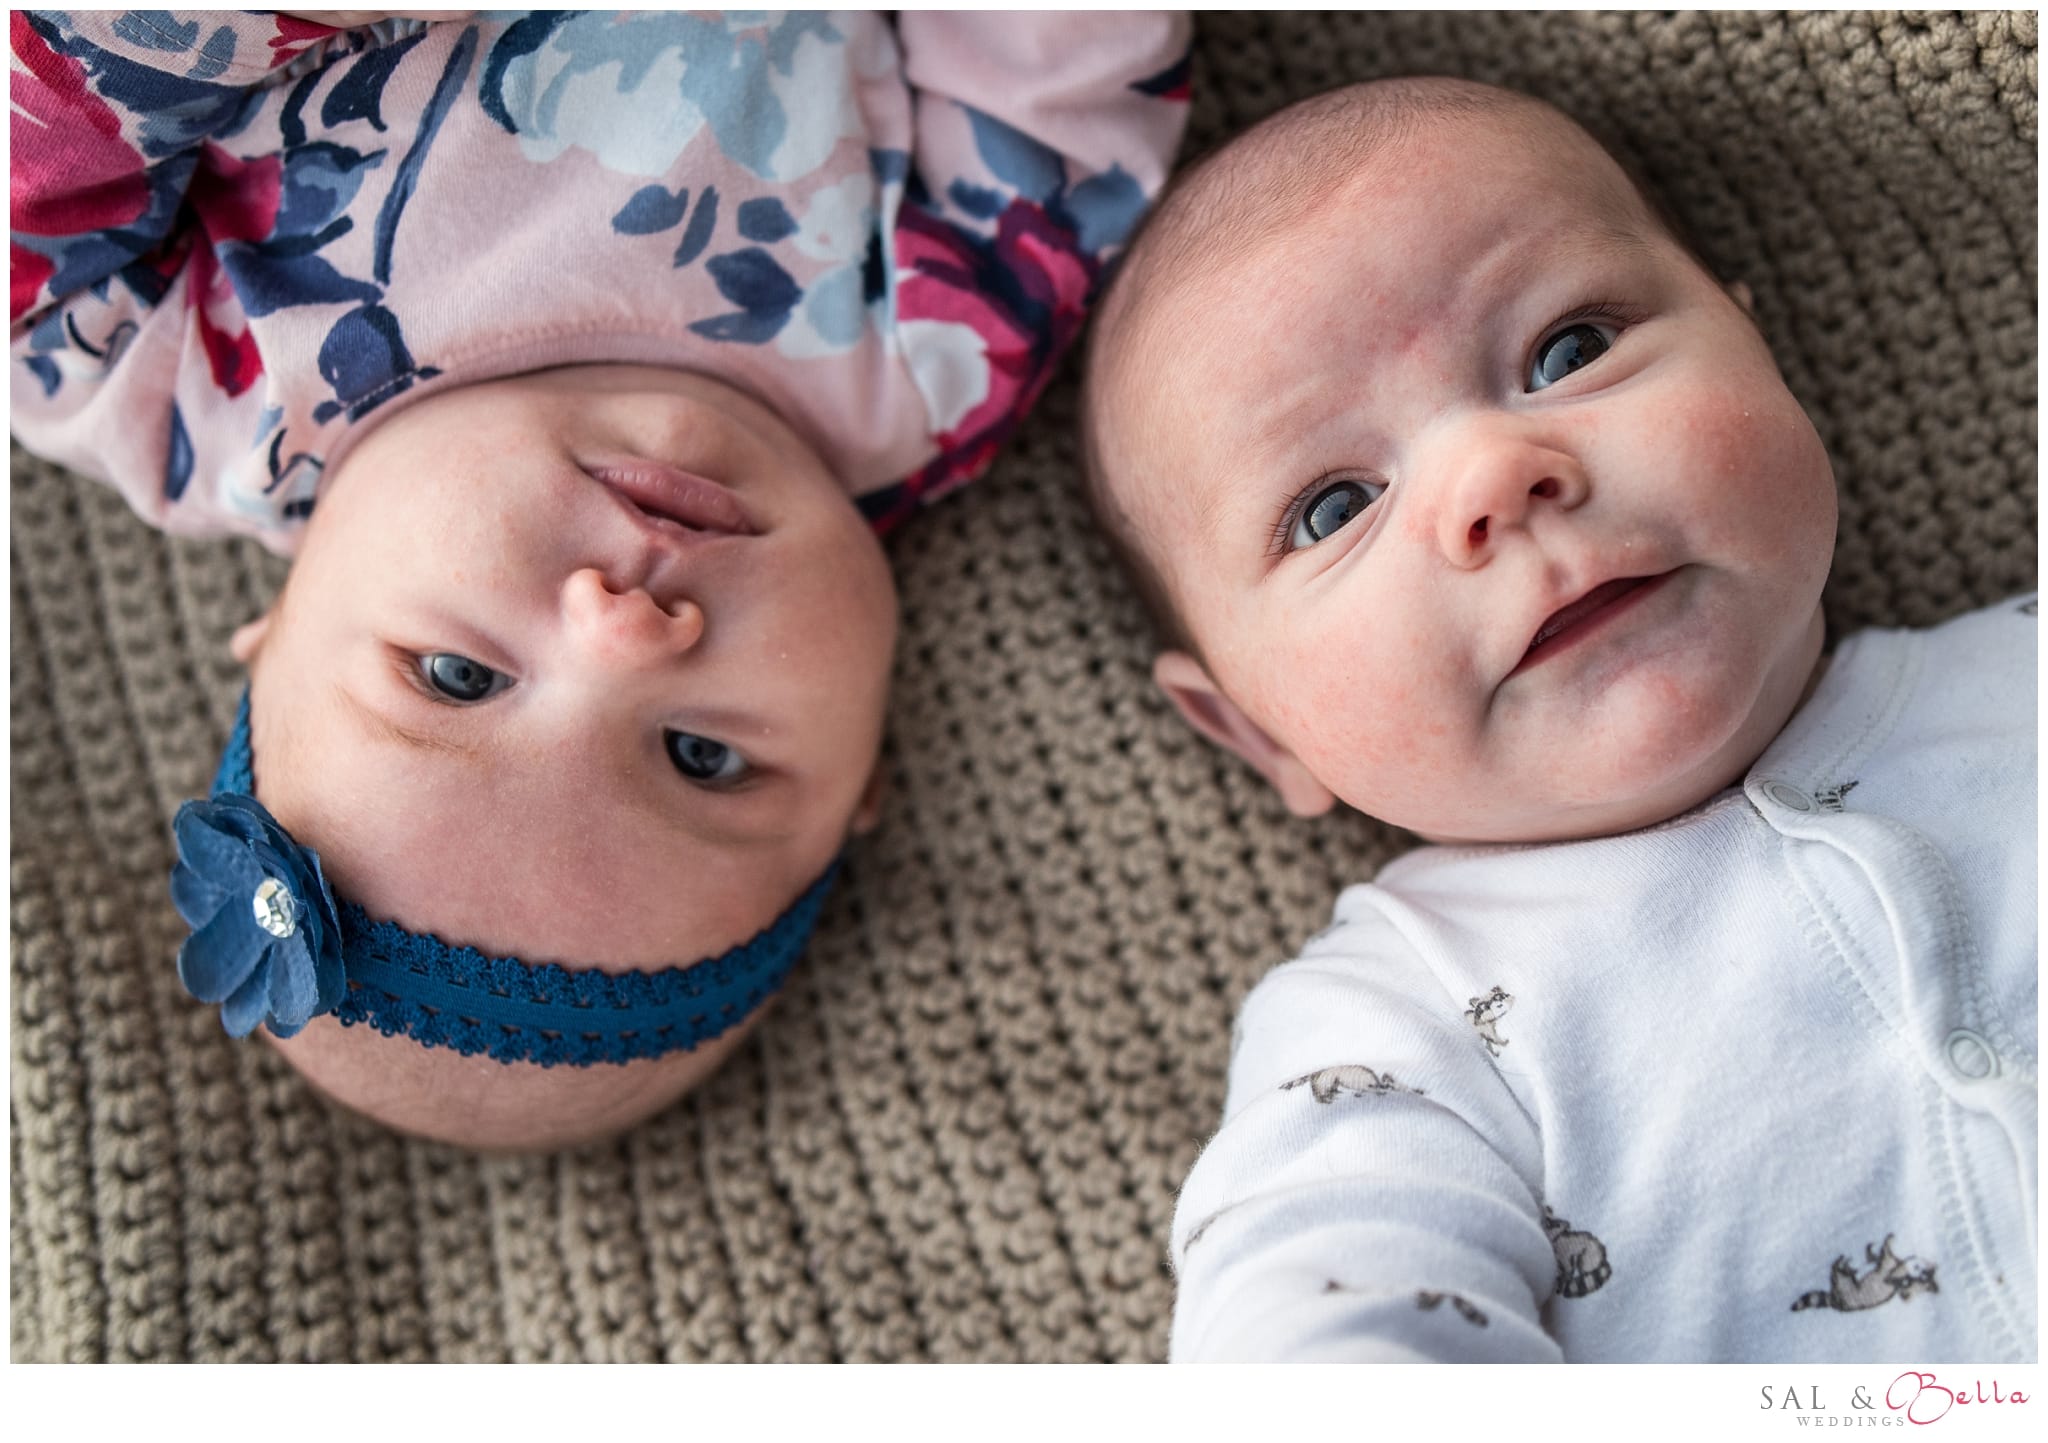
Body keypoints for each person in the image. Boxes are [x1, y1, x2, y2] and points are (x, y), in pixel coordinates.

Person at [10, 9, 1191, 1150]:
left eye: (456, 675)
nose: (624, 631)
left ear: (274, 626)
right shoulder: (943, 356)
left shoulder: (194, 402)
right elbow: (1067, 76)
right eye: (700, 755)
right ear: (862, 771)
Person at [1079, 76, 2034, 1360]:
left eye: (1569, 351)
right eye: (1332, 508)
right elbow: (1312, 1324)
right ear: (1253, 733)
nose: (1493, 475)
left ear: (1759, 354)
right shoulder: (1391, 1023)